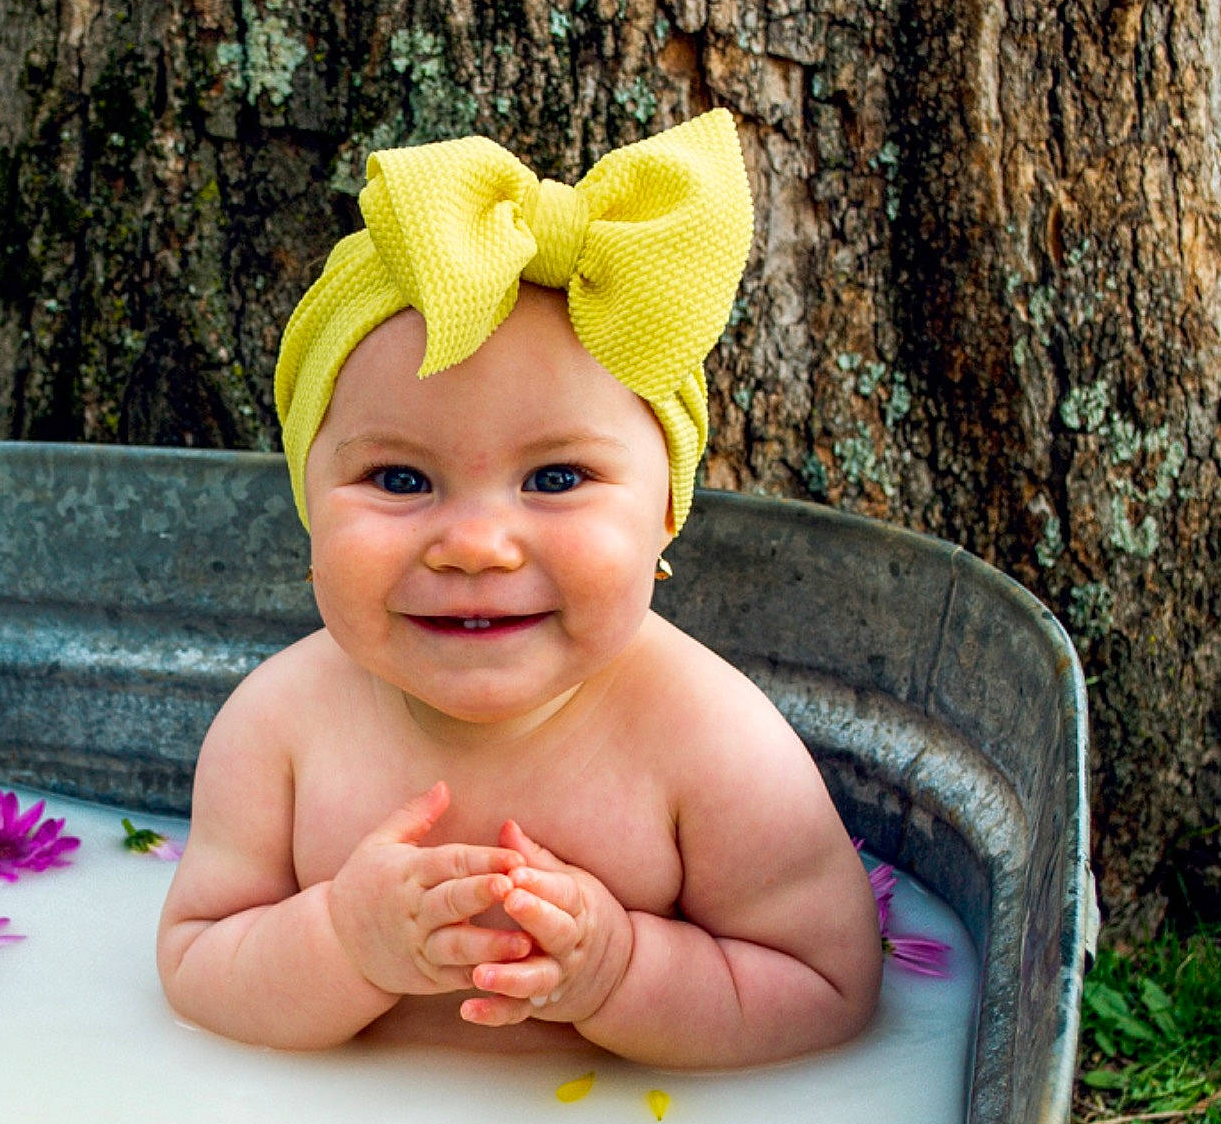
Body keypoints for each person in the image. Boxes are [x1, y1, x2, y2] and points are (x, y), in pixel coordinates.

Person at [155, 110, 882, 1066]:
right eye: (400, 479)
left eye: (556, 477)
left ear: (667, 512)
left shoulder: (711, 741)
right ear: (308, 510)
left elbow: (830, 986)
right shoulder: (278, 728)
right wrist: (341, 940)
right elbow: (195, 962)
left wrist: (622, 971)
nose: (476, 547)